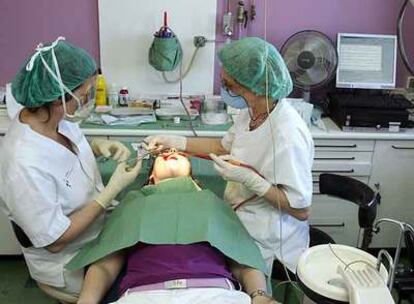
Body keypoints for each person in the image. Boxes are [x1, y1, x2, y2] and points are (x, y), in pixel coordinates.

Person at [144, 37, 315, 276]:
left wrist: (252, 180)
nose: (224, 89)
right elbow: (223, 146)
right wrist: (177, 142)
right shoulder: (252, 112)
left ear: (254, 87)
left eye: (229, 84)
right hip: (239, 224)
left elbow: (301, 210)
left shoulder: (287, 134)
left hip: (268, 243)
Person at [0, 37, 141, 303]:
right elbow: (56, 241)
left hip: (100, 232)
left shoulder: (55, 118)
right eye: (85, 94)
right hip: (70, 259)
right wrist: (109, 192)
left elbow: (64, 156)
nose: (88, 99)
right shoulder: (22, 162)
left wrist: (97, 147)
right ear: (58, 98)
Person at [72, 149, 278, 304]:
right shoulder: (134, 202)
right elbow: (106, 263)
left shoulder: (211, 202)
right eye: (162, 154)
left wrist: (259, 296)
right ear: (151, 177)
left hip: (213, 293)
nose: (170, 152)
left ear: (192, 175)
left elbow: (242, 257)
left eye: (178, 152)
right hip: (144, 295)